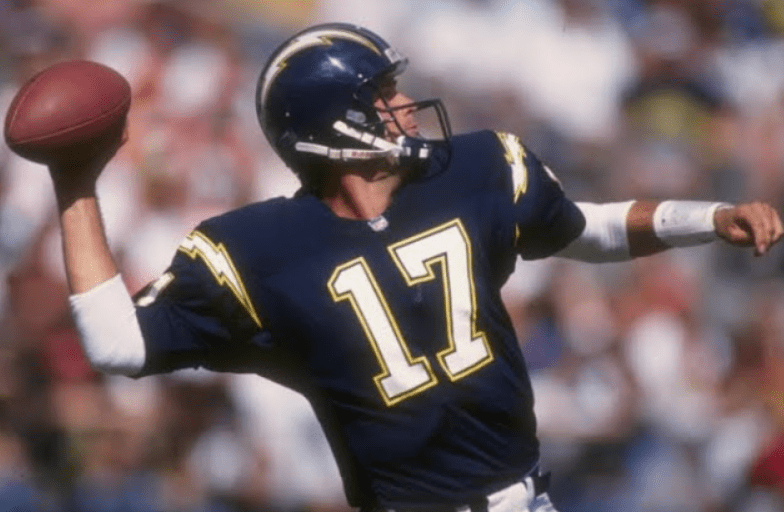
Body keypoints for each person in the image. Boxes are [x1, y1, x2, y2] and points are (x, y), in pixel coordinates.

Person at [47, 23, 782, 512]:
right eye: (382, 95)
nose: (404, 105)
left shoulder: (477, 169)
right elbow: (118, 342)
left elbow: (584, 229)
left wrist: (708, 218)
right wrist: (75, 183)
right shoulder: (253, 249)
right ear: (336, 123)